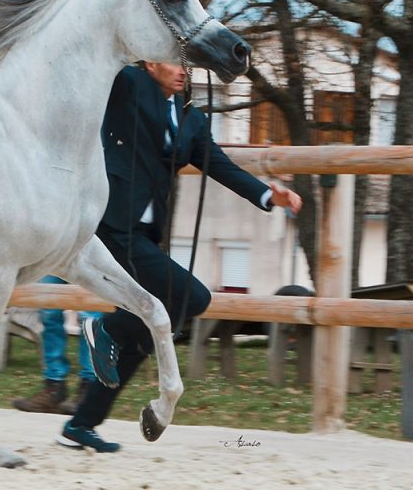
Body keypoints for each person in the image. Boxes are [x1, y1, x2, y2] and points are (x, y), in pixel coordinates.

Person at [57, 62, 303, 452]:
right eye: (173, 60)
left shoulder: (192, 120)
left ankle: (82, 423)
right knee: (192, 297)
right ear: (151, 62)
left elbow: (218, 165)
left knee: (153, 322)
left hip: (144, 235)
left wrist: (266, 195)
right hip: (111, 226)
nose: (183, 70)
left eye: (186, 63)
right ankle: (107, 331)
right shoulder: (129, 85)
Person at [11, 276, 102, 415]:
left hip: (89, 255)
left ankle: (89, 388)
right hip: (50, 256)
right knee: (49, 310)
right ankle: (54, 388)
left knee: (89, 313)